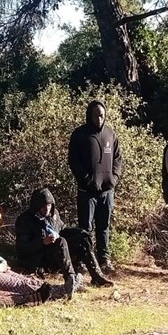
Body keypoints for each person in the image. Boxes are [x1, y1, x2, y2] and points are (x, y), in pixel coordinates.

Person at [14, 188, 113, 298]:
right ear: (36, 206)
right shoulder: (25, 220)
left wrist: (78, 233)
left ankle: (97, 276)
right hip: (41, 257)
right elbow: (22, 248)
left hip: (59, 251)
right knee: (61, 241)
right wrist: (42, 242)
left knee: (83, 236)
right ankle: (70, 279)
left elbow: (62, 230)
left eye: (49, 205)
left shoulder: (53, 214)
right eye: (43, 206)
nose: (47, 209)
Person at [68, 99, 122, 272]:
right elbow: (73, 160)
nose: (99, 119)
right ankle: (84, 261)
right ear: (89, 115)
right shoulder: (79, 134)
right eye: (96, 115)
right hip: (87, 191)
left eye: (102, 115)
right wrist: (86, 179)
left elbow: (118, 159)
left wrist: (114, 178)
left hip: (107, 191)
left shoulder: (110, 134)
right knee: (85, 228)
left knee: (104, 226)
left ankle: (104, 260)